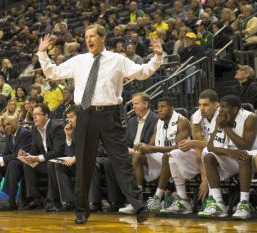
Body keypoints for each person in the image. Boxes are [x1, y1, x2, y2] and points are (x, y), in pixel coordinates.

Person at [37, 24, 163, 224]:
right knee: (84, 165)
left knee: (122, 162)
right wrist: (42, 53)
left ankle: (139, 208)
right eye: (86, 36)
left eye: (92, 36)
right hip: (85, 114)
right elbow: (54, 72)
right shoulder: (79, 60)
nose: (88, 40)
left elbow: (142, 72)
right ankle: (81, 210)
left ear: (102, 37)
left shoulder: (118, 60)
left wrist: (156, 57)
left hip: (110, 114)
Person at [198, 95, 257, 219]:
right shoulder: (219, 118)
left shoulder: (250, 118)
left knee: (243, 155)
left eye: (224, 107)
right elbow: (210, 146)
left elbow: (246, 146)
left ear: (235, 109)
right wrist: (229, 153)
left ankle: (244, 204)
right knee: (208, 156)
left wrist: (225, 127)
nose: (220, 109)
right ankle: (218, 202)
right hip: (237, 155)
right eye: (220, 106)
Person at [160, 89, 219, 214]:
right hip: (205, 156)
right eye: (199, 104)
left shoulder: (223, 115)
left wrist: (193, 143)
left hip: (224, 153)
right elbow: (199, 151)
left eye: (206, 105)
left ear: (216, 104)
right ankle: (182, 199)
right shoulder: (196, 117)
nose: (201, 108)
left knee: (207, 153)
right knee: (174, 154)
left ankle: (216, 200)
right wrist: (203, 178)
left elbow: (217, 146)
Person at [131, 97, 191, 213]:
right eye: (158, 107)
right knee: (137, 156)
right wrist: (140, 148)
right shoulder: (158, 122)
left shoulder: (181, 121)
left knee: (168, 156)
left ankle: (157, 198)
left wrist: (152, 148)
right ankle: (136, 199)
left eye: (163, 107)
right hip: (163, 157)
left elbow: (179, 147)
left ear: (172, 108)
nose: (159, 110)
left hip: (180, 158)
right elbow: (151, 146)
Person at [103, 92, 158, 212]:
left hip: (149, 156)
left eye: (136, 103)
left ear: (146, 104)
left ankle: (135, 201)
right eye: (133, 104)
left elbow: (152, 145)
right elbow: (126, 142)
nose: (133, 106)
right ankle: (117, 200)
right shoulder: (132, 121)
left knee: (131, 159)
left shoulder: (155, 119)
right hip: (132, 154)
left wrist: (133, 151)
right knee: (109, 162)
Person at [18, 103, 65, 210]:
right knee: (27, 165)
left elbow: (58, 151)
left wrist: (38, 158)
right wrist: (27, 154)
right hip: (46, 163)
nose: (34, 117)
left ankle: (52, 200)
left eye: (38, 114)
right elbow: (34, 149)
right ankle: (35, 199)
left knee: (50, 163)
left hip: (60, 163)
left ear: (46, 116)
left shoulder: (56, 127)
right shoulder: (35, 129)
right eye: (33, 114)